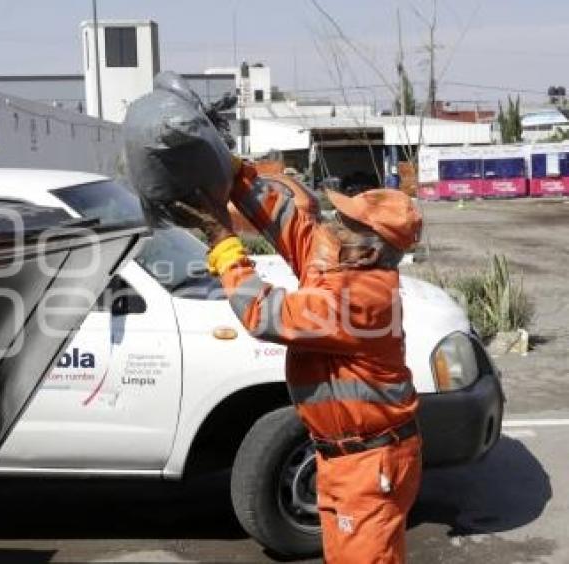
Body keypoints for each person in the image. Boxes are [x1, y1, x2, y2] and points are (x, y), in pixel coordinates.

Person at [169, 160, 423, 564]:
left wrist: (222, 241)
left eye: (346, 224)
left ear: (370, 248)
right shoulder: (344, 264)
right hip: (346, 459)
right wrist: (233, 172)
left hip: (370, 466)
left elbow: (264, 313)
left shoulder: (363, 297)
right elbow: (291, 223)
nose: (333, 228)